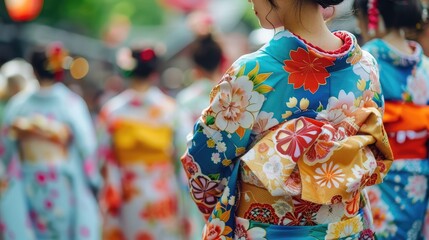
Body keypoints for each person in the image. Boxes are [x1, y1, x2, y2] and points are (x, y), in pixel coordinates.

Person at [180, 0, 394, 239]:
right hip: (347, 227)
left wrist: (225, 206)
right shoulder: (365, 68)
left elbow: (203, 164)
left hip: (267, 230)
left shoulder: (252, 72)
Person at [0, 43, 102, 240]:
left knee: (33, 232)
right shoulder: (71, 103)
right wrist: (92, 179)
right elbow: (87, 146)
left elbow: (5, 149)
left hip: (28, 179)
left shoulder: (18, 105)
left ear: (34, 70)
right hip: (63, 180)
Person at [354, 0, 429, 239]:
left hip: (380, 173)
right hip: (420, 176)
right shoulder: (425, 64)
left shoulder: (366, 61)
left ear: (373, 16)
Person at [98, 46, 182, 240]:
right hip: (163, 190)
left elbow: (102, 157)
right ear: (154, 72)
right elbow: (183, 156)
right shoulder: (170, 109)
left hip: (127, 191)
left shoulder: (112, 111)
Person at [175, 32, 224, 240]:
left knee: (197, 229)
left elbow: (180, 144)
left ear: (194, 65)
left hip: (195, 179)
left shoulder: (186, 100)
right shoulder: (228, 94)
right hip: (227, 175)